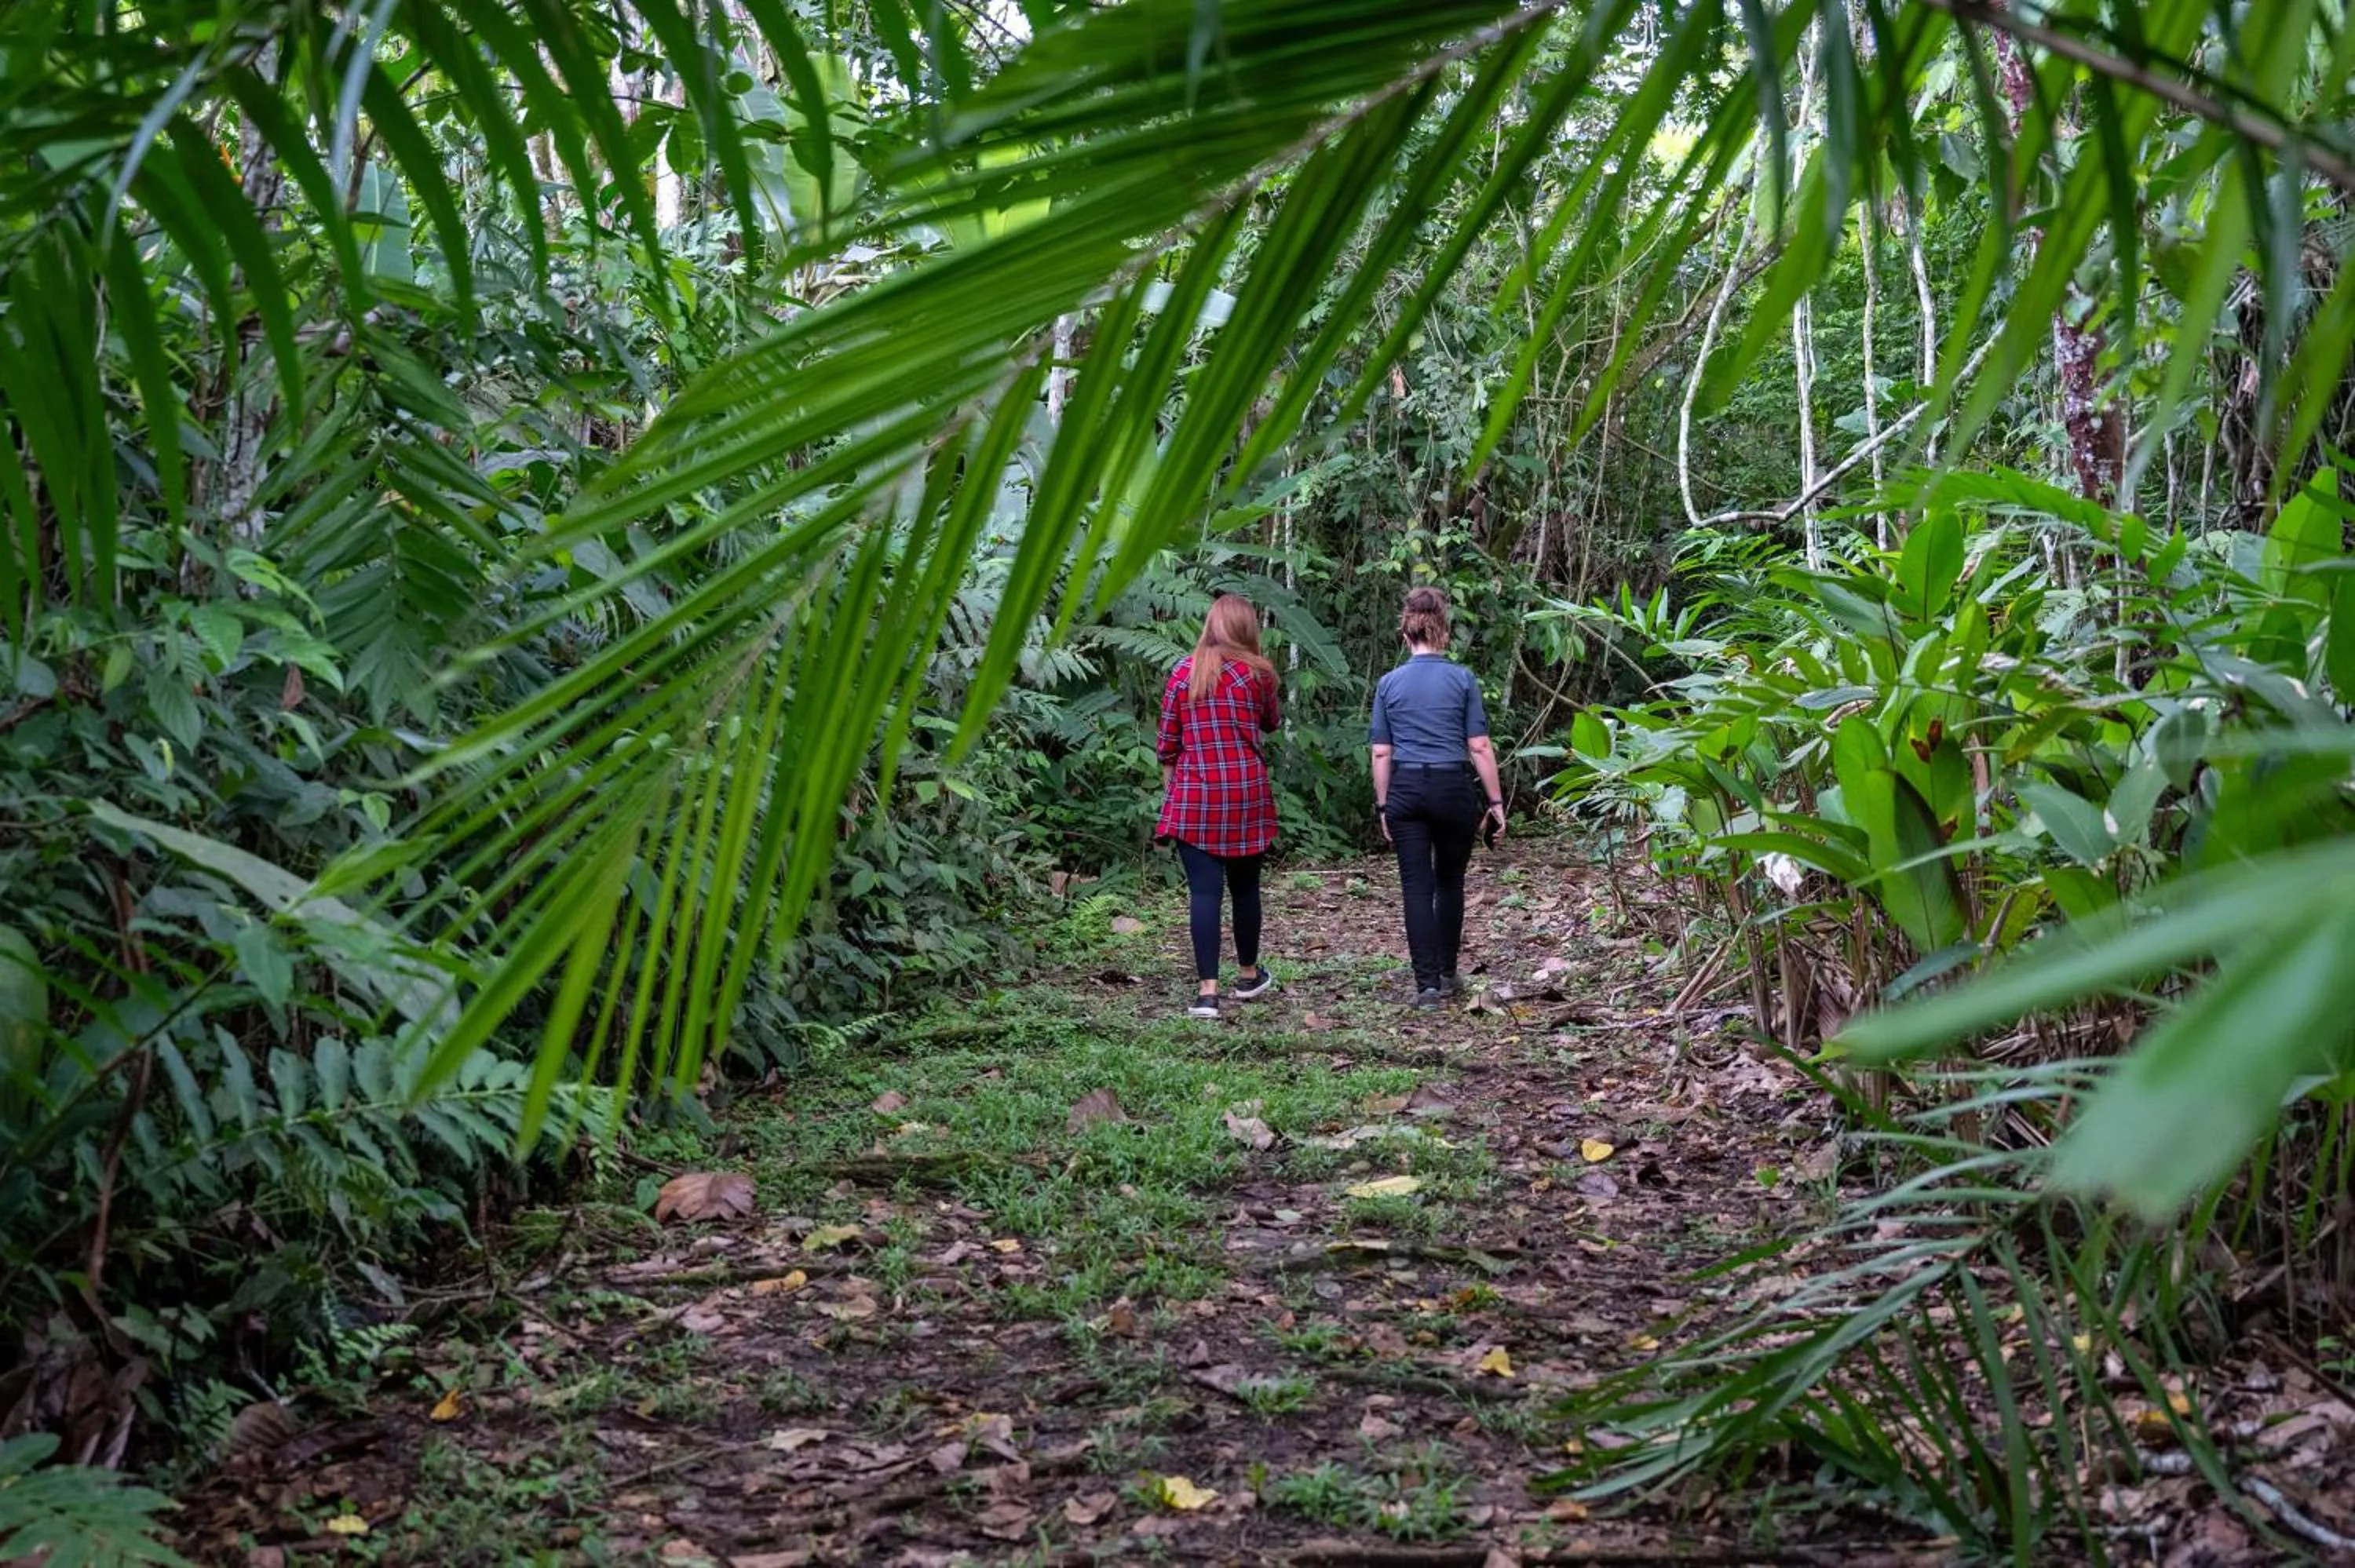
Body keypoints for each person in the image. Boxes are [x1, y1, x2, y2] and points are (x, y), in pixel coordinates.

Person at [1368, 585, 1506, 1008]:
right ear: (1443, 630)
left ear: (1406, 633)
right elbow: (1479, 745)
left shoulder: (1389, 683)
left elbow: (1381, 751)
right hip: (1452, 787)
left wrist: (1383, 804)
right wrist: (1497, 803)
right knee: (1450, 882)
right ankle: (1447, 973)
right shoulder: (1462, 679)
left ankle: (1426, 985)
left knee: (1416, 886)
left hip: (1407, 788)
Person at [1155, 593, 1282, 1020]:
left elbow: (1168, 747)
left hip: (1195, 795)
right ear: (1247, 629)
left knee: (1204, 893)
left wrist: (1172, 794)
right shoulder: (1258, 675)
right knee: (1246, 889)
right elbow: (1271, 722)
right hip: (1245, 793)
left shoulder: (1182, 674)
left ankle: (1207, 993)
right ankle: (1248, 975)